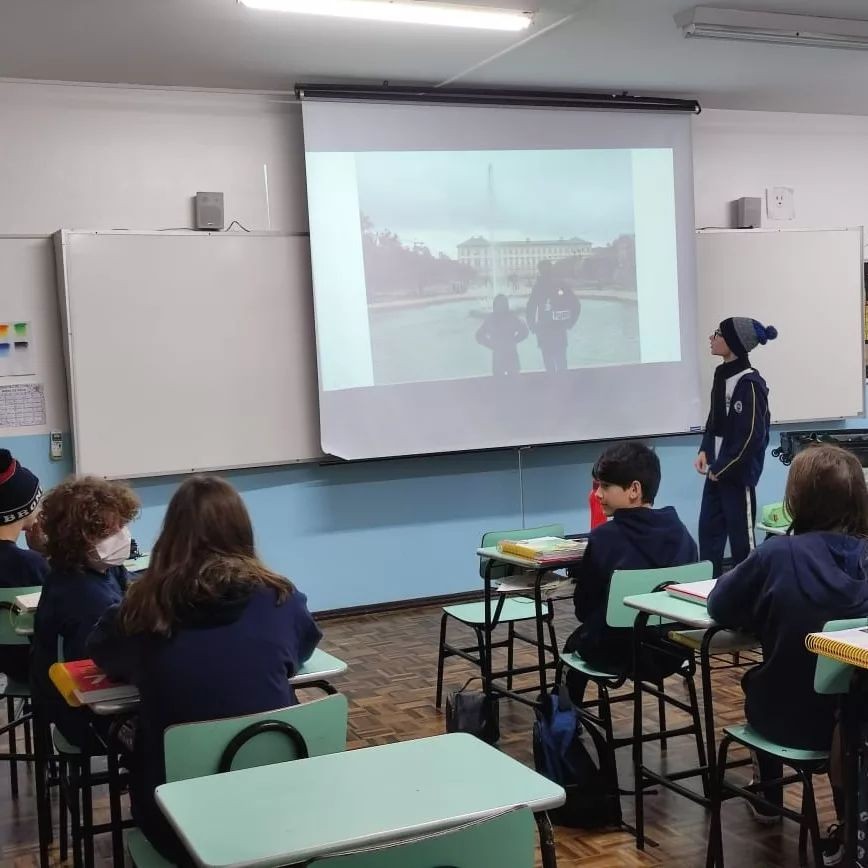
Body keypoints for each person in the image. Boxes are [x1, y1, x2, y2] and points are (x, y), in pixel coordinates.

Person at [88, 475, 322, 865]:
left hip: (177, 823)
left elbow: (103, 654)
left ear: (170, 536)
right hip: (281, 812)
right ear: (242, 534)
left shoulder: (141, 609)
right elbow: (302, 648)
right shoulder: (282, 598)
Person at [707, 444, 868, 857]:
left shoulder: (777, 553)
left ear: (796, 499)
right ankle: (850, 823)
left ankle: (769, 796)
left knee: (755, 681)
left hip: (791, 720)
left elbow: (719, 605)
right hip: (858, 726)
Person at [564, 442, 698, 702]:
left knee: (575, 643)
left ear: (634, 490)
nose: (597, 494)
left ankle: (565, 717)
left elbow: (583, 609)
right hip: (674, 651)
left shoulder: (604, 539)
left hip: (617, 654)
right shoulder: (682, 533)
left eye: (605, 486)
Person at [30, 476, 139, 749]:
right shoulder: (86, 600)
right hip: (85, 715)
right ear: (80, 540)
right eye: (111, 531)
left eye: (123, 525)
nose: (122, 535)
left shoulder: (96, 569)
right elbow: (106, 668)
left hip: (71, 698)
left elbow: (129, 589)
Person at [696, 316, 778, 577]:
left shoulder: (750, 384)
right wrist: (705, 449)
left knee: (742, 542)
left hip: (736, 476)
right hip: (716, 471)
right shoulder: (721, 374)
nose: (712, 338)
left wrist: (722, 467)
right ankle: (708, 589)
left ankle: (748, 591)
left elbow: (751, 437)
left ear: (732, 342)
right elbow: (715, 418)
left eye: (718, 333)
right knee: (709, 534)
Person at [0, 449, 49, 682]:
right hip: (30, 665)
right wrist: (44, 553)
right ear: (23, 508)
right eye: (37, 502)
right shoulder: (31, 564)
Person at [525, 260, 580, 373]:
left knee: (551, 363)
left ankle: (555, 381)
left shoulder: (540, 286)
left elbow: (530, 308)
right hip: (555, 328)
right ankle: (560, 381)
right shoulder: (558, 285)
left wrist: (532, 326)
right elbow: (575, 304)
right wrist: (570, 322)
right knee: (559, 362)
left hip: (547, 329)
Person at [475, 293, 529, 376]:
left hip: (503, 354)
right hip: (505, 353)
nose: (501, 307)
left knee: (507, 378)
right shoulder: (510, 318)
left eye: (502, 305)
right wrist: (514, 340)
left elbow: (479, 336)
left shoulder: (496, 319)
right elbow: (524, 331)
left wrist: (491, 344)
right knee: (509, 378)